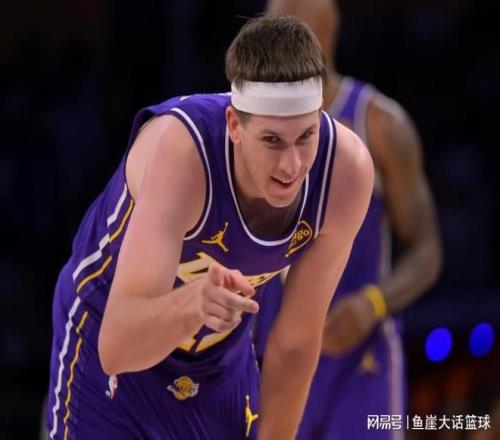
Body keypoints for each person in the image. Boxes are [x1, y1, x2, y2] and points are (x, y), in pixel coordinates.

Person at [46, 15, 374, 440]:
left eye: (305, 137)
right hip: (104, 331)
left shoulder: (345, 172)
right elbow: (116, 347)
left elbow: (295, 343)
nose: (292, 166)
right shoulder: (182, 153)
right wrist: (191, 305)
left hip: (216, 357)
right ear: (235, 126)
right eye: (272, 141)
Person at [253, 1, 443, 439]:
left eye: (283, 32)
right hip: (276, 360)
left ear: (323, 36)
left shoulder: (379, 124)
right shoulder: (245, 127)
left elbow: (427, 251)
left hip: (359, 357)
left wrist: (374, 303)